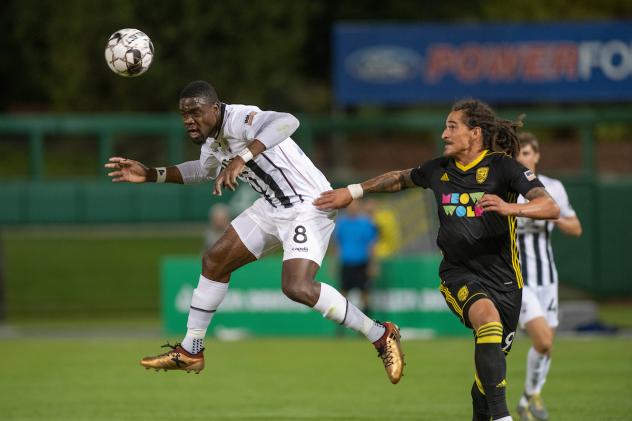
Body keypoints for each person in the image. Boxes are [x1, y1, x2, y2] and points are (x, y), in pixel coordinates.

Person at [104, 80, 404, 384]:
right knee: (214, 260)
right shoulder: (211, 141)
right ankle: (191, 350)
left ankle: (381, 334)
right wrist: (153, 174)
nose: (189, 121)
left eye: (195, 112)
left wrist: (242, 157)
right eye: (184, 115)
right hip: (272, 206)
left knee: (297, 286)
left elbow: (289, 121)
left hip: (309, 203)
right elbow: (202, 170)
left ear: (214, 107)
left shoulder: (239, 118)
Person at [314, 99, 560, 421]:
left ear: (475, 133)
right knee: (487, 320)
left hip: (505, 282)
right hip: (459, 275)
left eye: (452, 126)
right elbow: (400, 179)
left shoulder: (504, 168)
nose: (444, 133)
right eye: (445, 126)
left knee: (486, 382)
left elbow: (549, 206)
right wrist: (354, 191)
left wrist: (512, 207)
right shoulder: (438, 170)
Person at [515, 133, 582, 421]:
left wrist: (548, 213)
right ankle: (521, 399)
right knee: (542, 341)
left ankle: (529, 397)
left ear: (537, 156)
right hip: (519, 278)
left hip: (547, 277)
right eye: (518, 154)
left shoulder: (553, 188)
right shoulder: (506, 187)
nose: (523, 159)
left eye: (528, 153)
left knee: (547, 346)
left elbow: (575, 227)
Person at [333, 199, 379, 317]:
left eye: (355, 205)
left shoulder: (366, 223)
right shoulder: (341, 224)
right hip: (346, 263)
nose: (352, 208)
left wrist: (372, 265)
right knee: (343, 296)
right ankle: (341, 329)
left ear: (359, 207)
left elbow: (371, 246)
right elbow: (338, 245)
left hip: (361, 264)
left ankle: (367, 326)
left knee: (365, 296)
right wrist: (335, 264)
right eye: (350, 205)